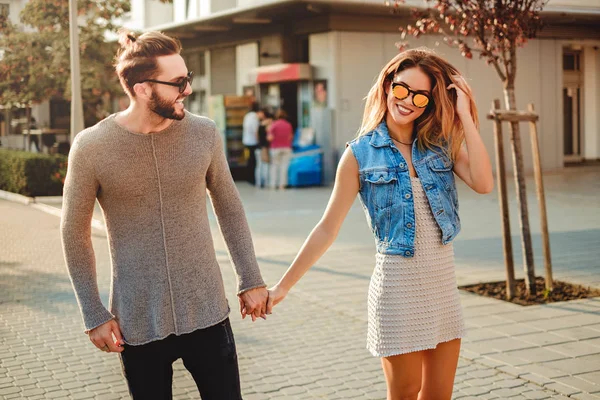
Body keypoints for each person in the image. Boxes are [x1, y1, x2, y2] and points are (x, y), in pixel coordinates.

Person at [266, 47, 493, 399]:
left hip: (442, 289)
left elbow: (483, 182)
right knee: (404, 392)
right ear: (388, 85)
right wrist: (283, 287)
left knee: (439, 395)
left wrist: (465, 116)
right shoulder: (359, 154)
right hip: (398, 293)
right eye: (402, 89)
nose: (409, 102)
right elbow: (328, 227)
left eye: (421, 96)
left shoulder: (440, 145)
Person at [60, 29, 269, 400]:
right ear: (143, 89)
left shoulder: (203, 133)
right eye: (178, 82)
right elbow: (74, 233)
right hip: (137, 318)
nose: (188, 89)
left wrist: (250, 278)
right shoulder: (91, 147)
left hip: (206, 309)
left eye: (187, 78)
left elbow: (229, 205)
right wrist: (93, 313)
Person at [267, 109, 294, 190]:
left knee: (274, 166)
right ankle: (282, 185)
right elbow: (290, 137)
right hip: (286, 148)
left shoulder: (274, 125)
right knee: (284, 167)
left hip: (275, 148)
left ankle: (273, 184)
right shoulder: (288, 125)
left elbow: (270, 138)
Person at [242, 101, 260, 185]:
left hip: (246, 142)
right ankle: (252, 179)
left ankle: (248, 177)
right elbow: (255, 131)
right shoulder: (255, 117)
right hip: (253, 142)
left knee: (248, 160)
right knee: (253, 161)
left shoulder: (247, 116)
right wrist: (258, 141)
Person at [254, 108, 272, 188]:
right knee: (266, 165)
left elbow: (256, 136)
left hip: (258, 147)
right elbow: (269, 137)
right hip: (264, 148)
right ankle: (266, 183)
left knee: (259, 166)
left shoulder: (259, 125)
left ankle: (258, 183)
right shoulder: (268, 126)